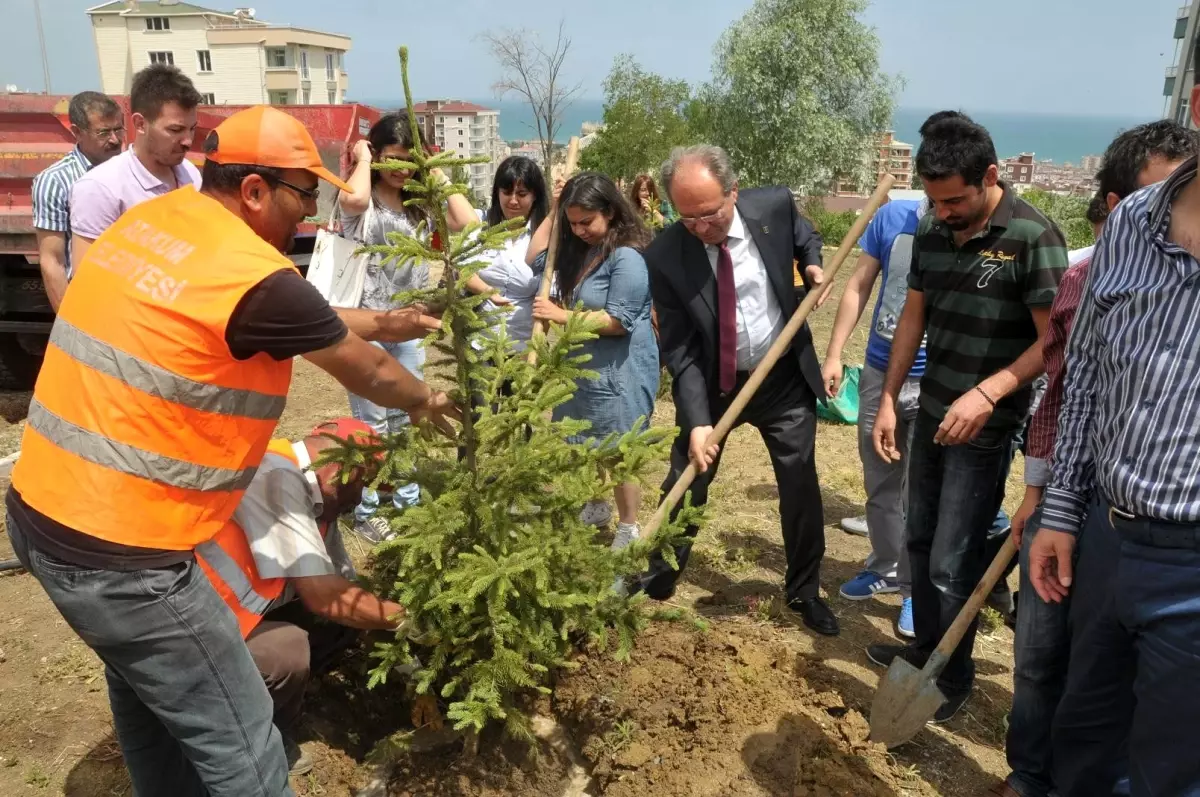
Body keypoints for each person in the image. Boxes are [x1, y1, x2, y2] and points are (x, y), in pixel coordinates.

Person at [5, 105, 458, 797]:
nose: (309, 213)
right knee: (245, 746)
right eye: (302, 194)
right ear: (252, 189)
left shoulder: (153, 226)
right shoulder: (252, 272)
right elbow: (369, 370)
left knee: (145, 696)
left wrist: (383, 318)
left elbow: (296, 313)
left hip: (41, 513)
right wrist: (427, 400)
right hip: (126, 557)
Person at [991, 121, 1197, 797]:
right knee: (1083, 733)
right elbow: (1081, 384)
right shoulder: (1135, 222)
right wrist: (1059, 511)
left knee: (1170, 766)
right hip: (1106, 535)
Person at [866, 112, 1067, 723]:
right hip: (930, 413)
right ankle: (926, 651)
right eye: (934, 200)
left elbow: (1055, 340)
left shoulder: (1033, 237)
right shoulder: (931, 229)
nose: (944, 212)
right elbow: (912, 319)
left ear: (990, 175)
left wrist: (990, 392)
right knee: (920, 539)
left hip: (987, 427)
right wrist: (887, 398)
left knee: (955, 555)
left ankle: (952, 673)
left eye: (955, 200)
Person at [637, 144, 836, 636]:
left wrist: (811, 265)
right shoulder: (665, 255)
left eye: (711, 214)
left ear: (734, 192)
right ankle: (659, 578)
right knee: (688, 479)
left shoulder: (772, 207)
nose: (703, 228)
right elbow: (679, 348)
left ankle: (804, 590)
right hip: (713, 383)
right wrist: (699, 422)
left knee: (799, 482)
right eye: (689, 219)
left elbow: (803, 235)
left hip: (781, 378)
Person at [198, 417, 406, 776]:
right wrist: (406, 618)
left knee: (347, 621)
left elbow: (345, 585)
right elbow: (326, 598)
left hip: (243, 615)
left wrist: (398, 654)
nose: (361, 499)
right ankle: (257, 738)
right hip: (197, 629)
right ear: (343, 469)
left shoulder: (319, 502)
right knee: (287, 651)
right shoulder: (274, 475)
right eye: (364, 484)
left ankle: (291, 693)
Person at [338, 111, 478, 544]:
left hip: (410, 330)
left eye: (408, 160)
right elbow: (353, 201)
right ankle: (365, 508)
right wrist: (361, 157)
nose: (400, 169)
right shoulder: (365, 204)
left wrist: (432, 169)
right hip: (369, 326)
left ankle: (407, 500)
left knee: (407, 417)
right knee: (372, 423)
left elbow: (466, 220)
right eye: (392, 159)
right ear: (377, 154)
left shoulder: (420, 204)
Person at [526, 172, 659, 547]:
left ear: (612, 212)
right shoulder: (580, 250)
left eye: (588, 221)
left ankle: (628, 526)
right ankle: (597, 505)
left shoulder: (628, 256)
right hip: (586, 367)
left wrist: (560, 316)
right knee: (590, 442)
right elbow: (534, 256)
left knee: (619, 448)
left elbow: (619, 320)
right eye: (574, 223)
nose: (580, 230)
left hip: (620, 371)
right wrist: (554, 211)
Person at [821, 197, 926, 637]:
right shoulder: (892, 217)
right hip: (880, 370)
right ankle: (885, 566)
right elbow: (858, 284)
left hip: (937, 379)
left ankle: (916, 592)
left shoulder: (973, 224)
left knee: (921, 491)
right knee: (880, 478)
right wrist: (834, 353)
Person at [69, 64, 203, 271]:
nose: (187, 141)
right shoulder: (100, 189)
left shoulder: (191, 175)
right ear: (140, 124)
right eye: (175, 129)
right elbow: (88, 281)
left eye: (192, 129)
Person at [32, 91, 124, 311]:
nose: (114, 139)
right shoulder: (55, 181)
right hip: (91, 300)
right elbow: (52, 261)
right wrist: (70, 325)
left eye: (118, 130)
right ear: (77, 133)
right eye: (104, 132)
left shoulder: (133, 170)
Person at [472, 155, 549, 351]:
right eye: (507, 192)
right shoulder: (481, 225)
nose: (513, 201)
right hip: (481, 344)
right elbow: (462, 271)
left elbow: (550, 297)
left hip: (523, 348)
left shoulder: (546, 237)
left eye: (522, 194)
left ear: (535, 196)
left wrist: (535, 347)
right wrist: (489, 292)